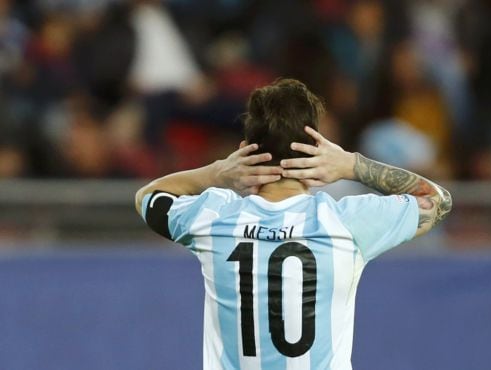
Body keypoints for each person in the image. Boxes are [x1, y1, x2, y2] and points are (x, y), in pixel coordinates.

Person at [135, 78, 452, 370]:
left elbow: (147, 197)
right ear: (317, 149)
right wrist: (351, 164)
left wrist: (216, 173)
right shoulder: (347, 223)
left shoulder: (213, 219)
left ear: (245, 149)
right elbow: (437, 200)